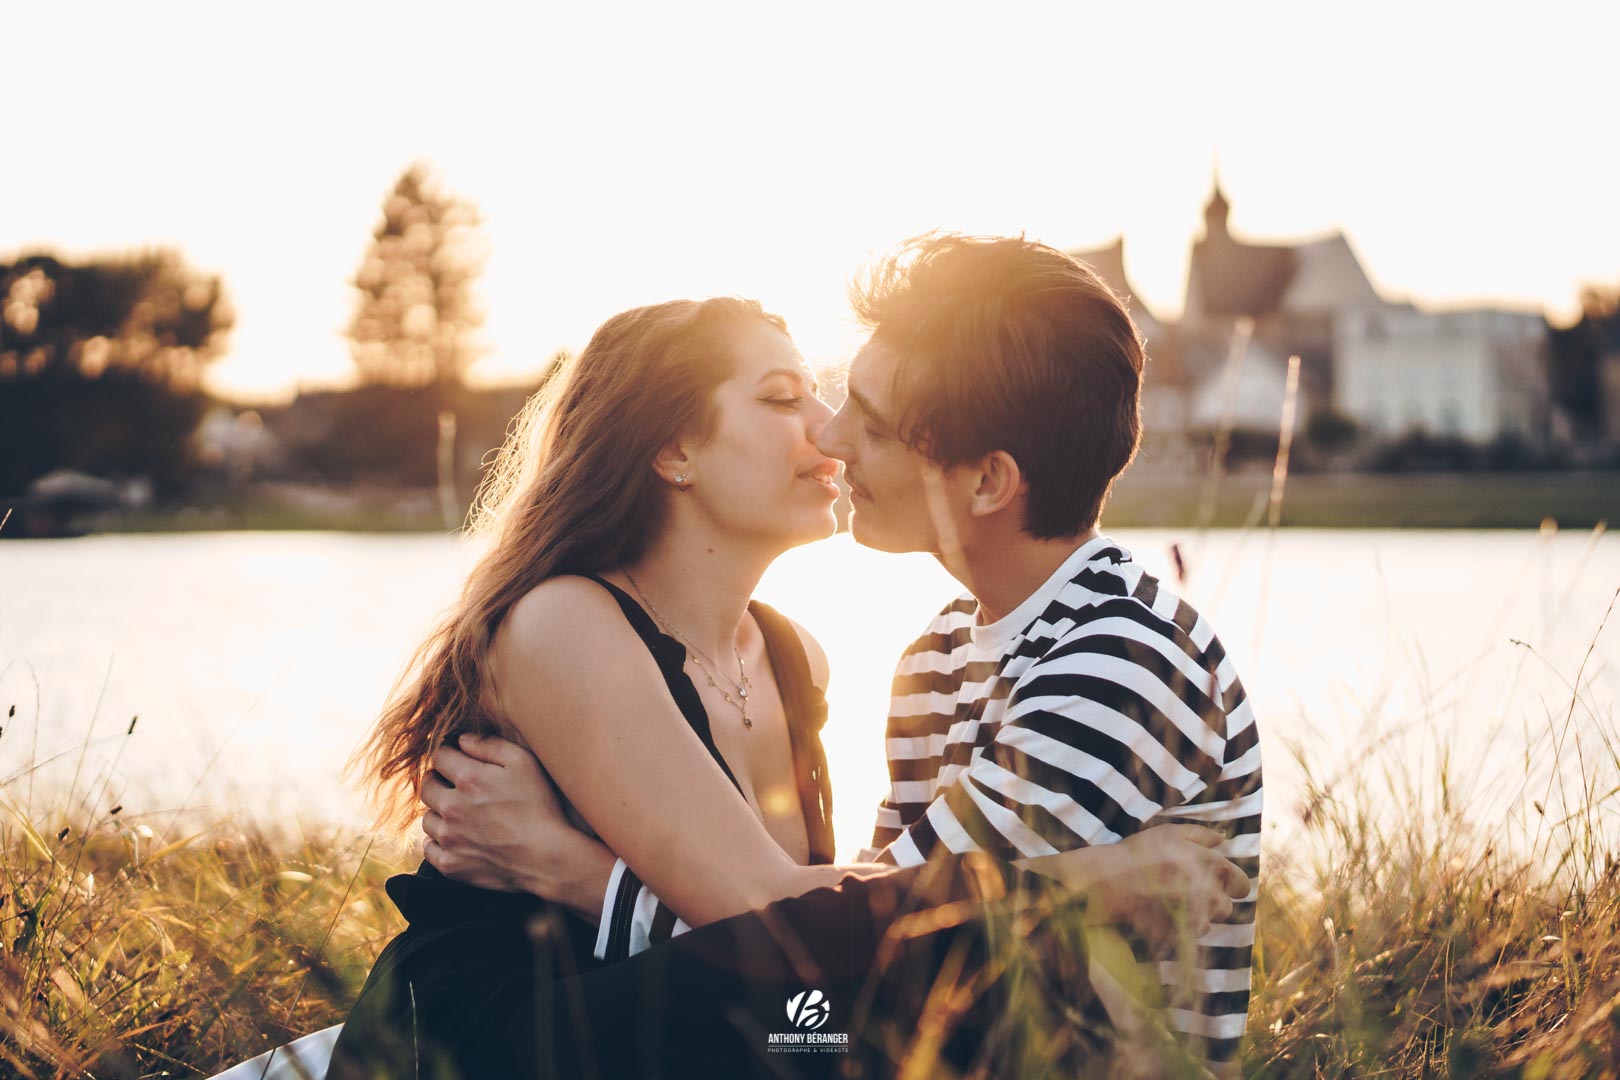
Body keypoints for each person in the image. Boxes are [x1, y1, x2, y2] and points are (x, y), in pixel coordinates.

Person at [310, 284, 1249, 1079]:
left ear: (991, 480)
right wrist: (1078, 890)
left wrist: (571, 867)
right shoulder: (567, 624)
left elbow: (837, 955)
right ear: (673, 452)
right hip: (507, 1042)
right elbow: (851, 941)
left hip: (700, 1033)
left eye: (843, 408)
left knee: (844, 1018)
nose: (830, 435)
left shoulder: (814, 659)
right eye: (783, 399)